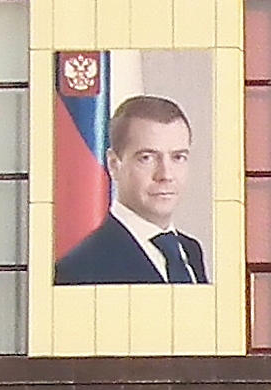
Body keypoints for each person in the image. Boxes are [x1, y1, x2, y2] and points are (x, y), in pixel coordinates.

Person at [54, 95, 211, 284]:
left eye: (178, 157)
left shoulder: (190, 250)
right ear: (114, 165)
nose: (165, 175)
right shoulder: (80, 268)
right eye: (147, 158)